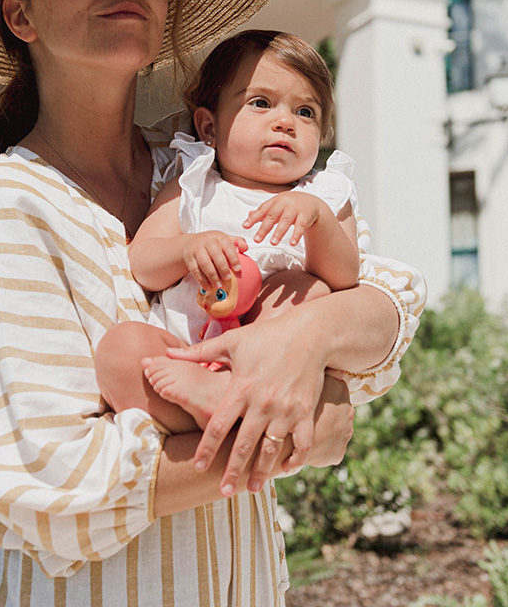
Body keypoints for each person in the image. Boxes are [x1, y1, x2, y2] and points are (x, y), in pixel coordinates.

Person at [0, 0, 426, 606]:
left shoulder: (205, 167)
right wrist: (293, 429)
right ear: (19, 13)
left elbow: (387, 292)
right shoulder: (3, 205)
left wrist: (306, 338)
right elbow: (42, 486)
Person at [97, 30, 374, 436]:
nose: (285, 122)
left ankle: (231, 398)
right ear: (209, 126)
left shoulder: (324, 195)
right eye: (260, 103)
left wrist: (317, 221)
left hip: (274, 368)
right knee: (119, 352)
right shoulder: (193, 183)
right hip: (186, 353)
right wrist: (187, 248)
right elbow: (141, 264)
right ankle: (212, 410)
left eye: (306, 112)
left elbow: (345, 277)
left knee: (306, 289)